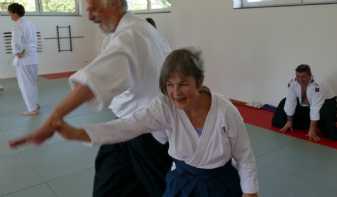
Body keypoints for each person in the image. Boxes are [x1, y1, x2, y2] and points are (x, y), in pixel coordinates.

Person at [9, 0, 172, 196]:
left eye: (94, 8)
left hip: (146, 134)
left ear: (114, 3)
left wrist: (52, 121)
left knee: (145, 187)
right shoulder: (139, 27)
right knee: (118, 180)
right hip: (139, 128)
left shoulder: (129, 35)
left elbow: (91, 83)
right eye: (87, 9)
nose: (89, 16)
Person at [52, 48, 259, 197]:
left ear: (200, 81)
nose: (176, 92)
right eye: (170, 84)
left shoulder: (225, 110)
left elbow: (244, 155)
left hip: (220, 185)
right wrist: (79, 133)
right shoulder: (165, 106)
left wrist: (250, 193)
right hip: (182, 184)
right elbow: (127, 126)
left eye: (183, 84)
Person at [272, 64, 337, 142]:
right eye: (298, 76)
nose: (300, 79)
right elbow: (290, 101)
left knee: (332, 134)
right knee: (281, 110)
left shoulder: (318, 85)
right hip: (307, 104)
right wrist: (289, 121)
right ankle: (309, 125)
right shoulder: (293, 82)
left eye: (303, 76)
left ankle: (315, 127)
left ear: (310, 76)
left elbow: (315, 107)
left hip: (326, 104)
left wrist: (312, 129)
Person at [8, 3, 40, 116]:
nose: (10, 16)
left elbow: (16, 41)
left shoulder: (18, 25)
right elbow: (33, 40)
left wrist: (17, 52)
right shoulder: (30, 23)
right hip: (33, 57)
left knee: (25, 85)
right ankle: (35, 104)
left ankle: (32, 109)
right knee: (32, 82)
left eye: (10, 13)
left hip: (24, 58)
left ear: (15, 13)